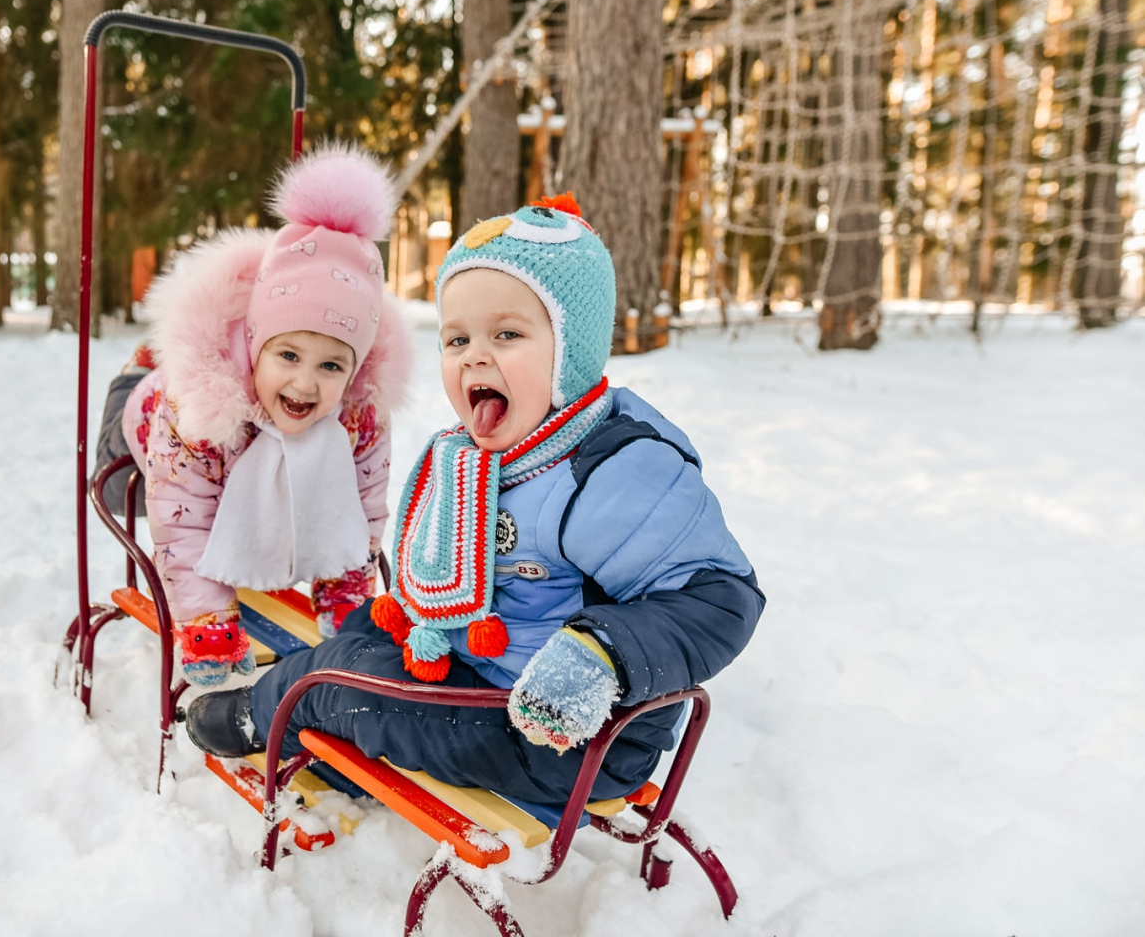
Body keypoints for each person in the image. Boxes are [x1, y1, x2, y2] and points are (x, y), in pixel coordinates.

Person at [185, 194, 765, 808]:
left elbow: (723, 596)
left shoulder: (611, 468)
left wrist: (604, 655)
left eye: (507, 334)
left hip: (565, 740)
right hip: (480, 673)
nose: (475, 356)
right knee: (365, 635)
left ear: (571, 350)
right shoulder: (492, 450)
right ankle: (338, 739)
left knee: (337, 681)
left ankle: (262, 713)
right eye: (456, 338)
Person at [115, 144, 410, 687]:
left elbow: (363, 505)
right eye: (289, 356)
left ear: (355, 369)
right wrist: (206, 618)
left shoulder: (359, 417)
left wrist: (345, 587)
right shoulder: (199, 408)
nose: (304, 382)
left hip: (242, 452)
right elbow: (180, 519)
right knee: (121, 490)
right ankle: (141, 364)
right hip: (145, 417)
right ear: (255, 346)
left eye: (330, 365)